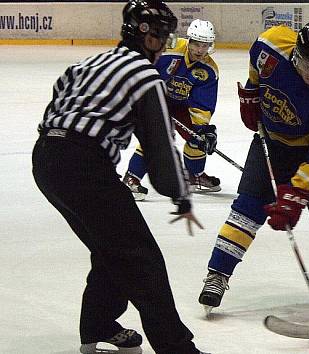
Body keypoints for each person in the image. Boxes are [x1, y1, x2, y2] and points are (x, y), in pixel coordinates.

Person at [31, 1, 209, 353]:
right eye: (163, 36)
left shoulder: (86, 63)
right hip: (84, 167)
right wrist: (180, 194)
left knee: (110, 248)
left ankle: (98, 324)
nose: (165, 43)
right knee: (141, 257)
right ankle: (177, 348)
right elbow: (159, 147)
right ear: (149, 37)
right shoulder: (145, 76)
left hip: (46, 160)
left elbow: (57, 106)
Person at [197, 20, 309, 315]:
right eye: (308, 64)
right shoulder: (271, 43)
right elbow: (256, 64)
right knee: (247, 208)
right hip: (273, 143)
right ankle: (218, 274)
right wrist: (252, 92)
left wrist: (296, 192)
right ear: (296, 53)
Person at [123, 18, 221, 200]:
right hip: (153, 98)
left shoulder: (209, 70)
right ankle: (131, 179)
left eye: (205, 45)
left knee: (198, 138)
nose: (200, 50)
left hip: (181, 105)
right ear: (189, 40)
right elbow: (142, 68)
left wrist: (202, 129)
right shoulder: (169, 51)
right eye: (197, 44)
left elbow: (201, 104)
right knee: (155, 136)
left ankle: (194, 175)